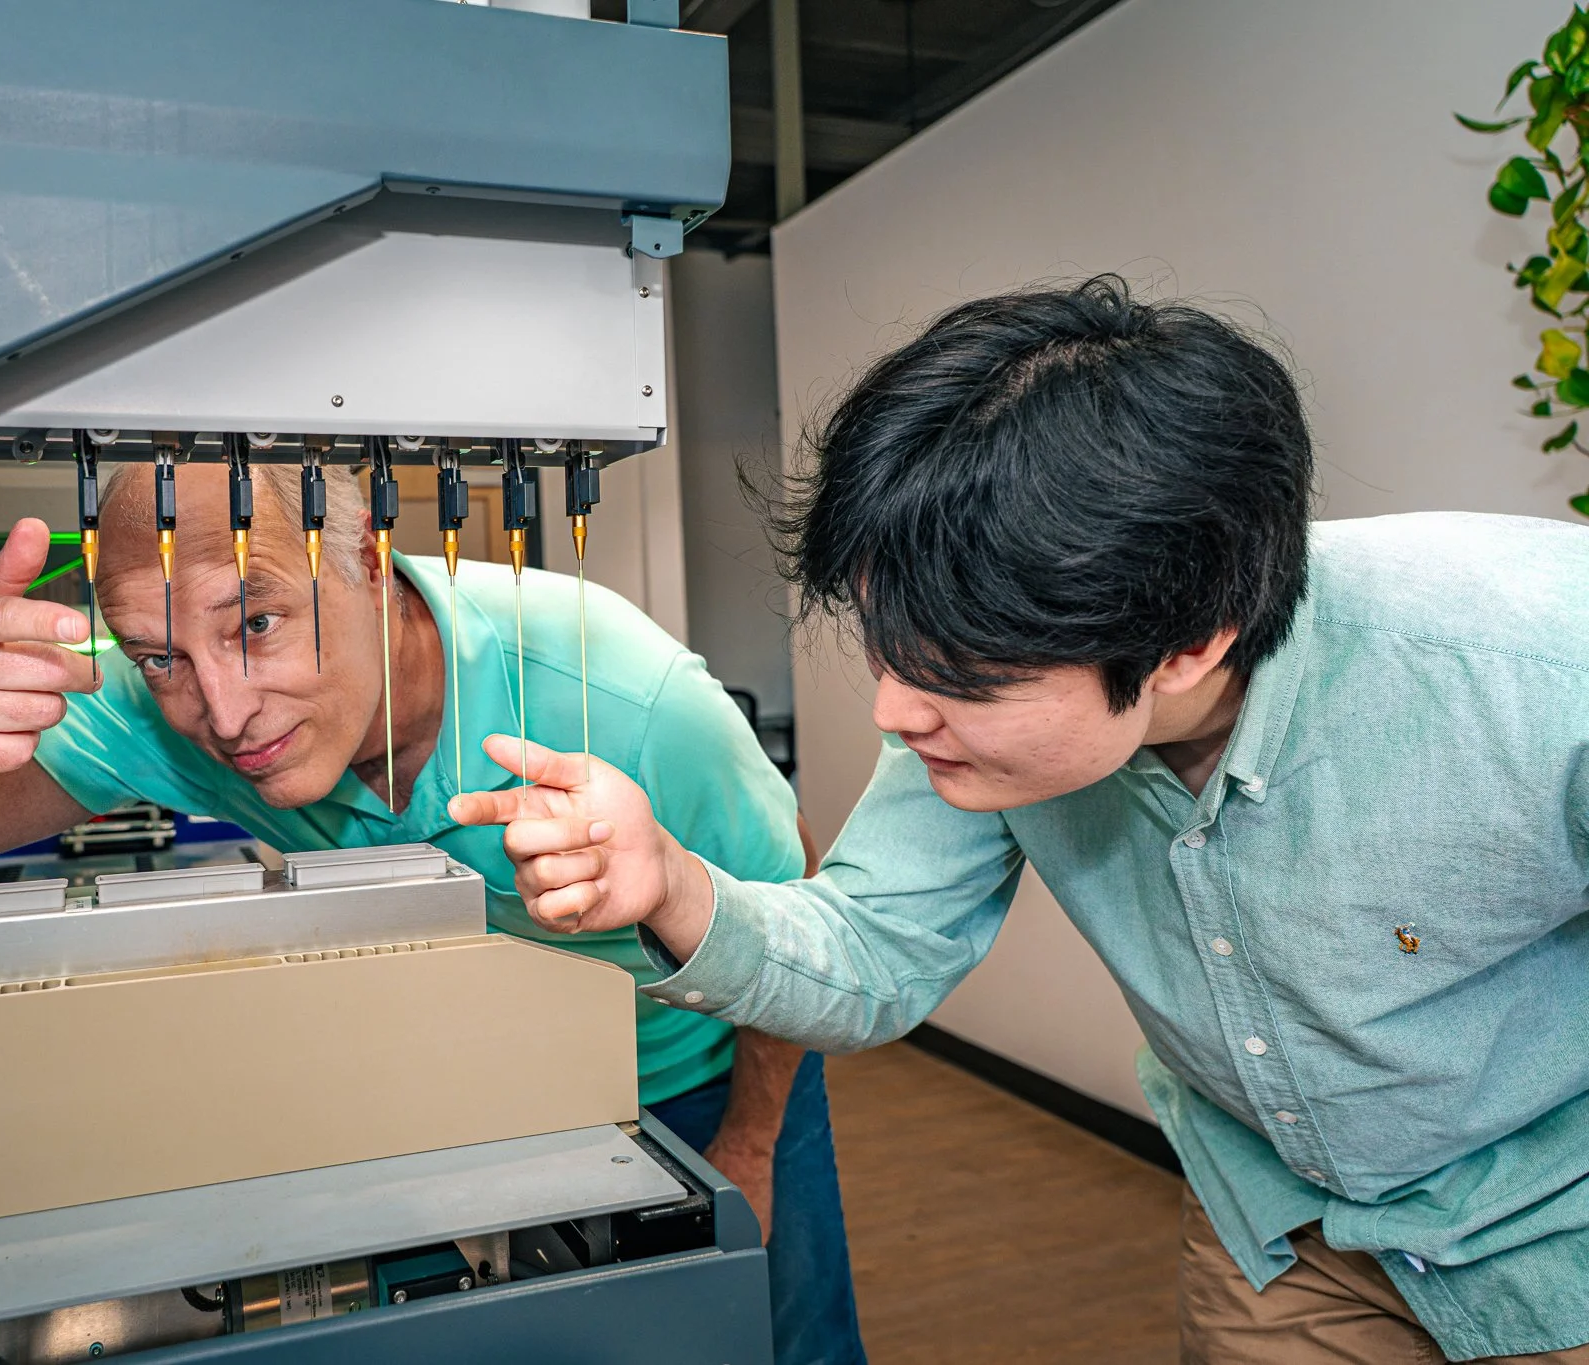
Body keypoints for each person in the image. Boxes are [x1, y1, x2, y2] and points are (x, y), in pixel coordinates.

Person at [455, 277, 1589, 1364]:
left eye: (955, 675)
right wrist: (668, 882)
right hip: (1277, 1226)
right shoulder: (977, 723)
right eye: (884, 651)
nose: (893, 711)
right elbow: (871, 949)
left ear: (1187, 643)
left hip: (1553, 1229)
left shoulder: (1535, 671)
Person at [0, 460, 867, 1365]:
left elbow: (788, 897)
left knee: (778, 1333)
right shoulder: (157, 709)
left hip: (701, 1065)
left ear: (372, 568)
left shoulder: (619, 689)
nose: (223, 713)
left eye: (258, 624)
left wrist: (754, 1144)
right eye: (161, 658)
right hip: (484, 1082)